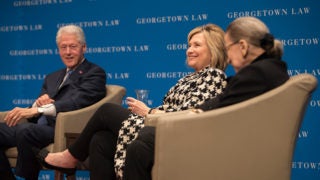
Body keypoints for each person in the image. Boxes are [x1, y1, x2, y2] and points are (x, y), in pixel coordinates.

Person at [35, 23, 228, 180]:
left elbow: (191, 115)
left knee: (107, 111)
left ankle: (71, 157)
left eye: (197, 45)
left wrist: (149, 112)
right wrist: (150, 111)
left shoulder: (214, 76)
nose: (189, 50)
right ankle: (72, 157)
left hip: (172, 132)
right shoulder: (189, 78)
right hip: (156, 124)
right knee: (100, 139)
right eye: (189, 45)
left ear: (213, 49)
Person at [122, 16, 290, 180]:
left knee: (143, 141)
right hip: (225, 139)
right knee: (132, 136)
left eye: (228, 48)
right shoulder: (269, 71)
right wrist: (189, 114)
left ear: (243, 47)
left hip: (226, 146)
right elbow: (219, 103)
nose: (228, 58)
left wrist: (166, 115)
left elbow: (220, 109)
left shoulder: (258, 74)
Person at [0, 24, 106, 180]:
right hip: (38, 126)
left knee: (26, 131)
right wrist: (37, 104)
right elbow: (35, 111)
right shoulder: (52, 77)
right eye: (63, 47)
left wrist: (39, 110)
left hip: (63, 129)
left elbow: (77, 102)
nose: (68, 52)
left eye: (73, 47)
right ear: (58, 50)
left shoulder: (95, 73)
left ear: (84, 48)